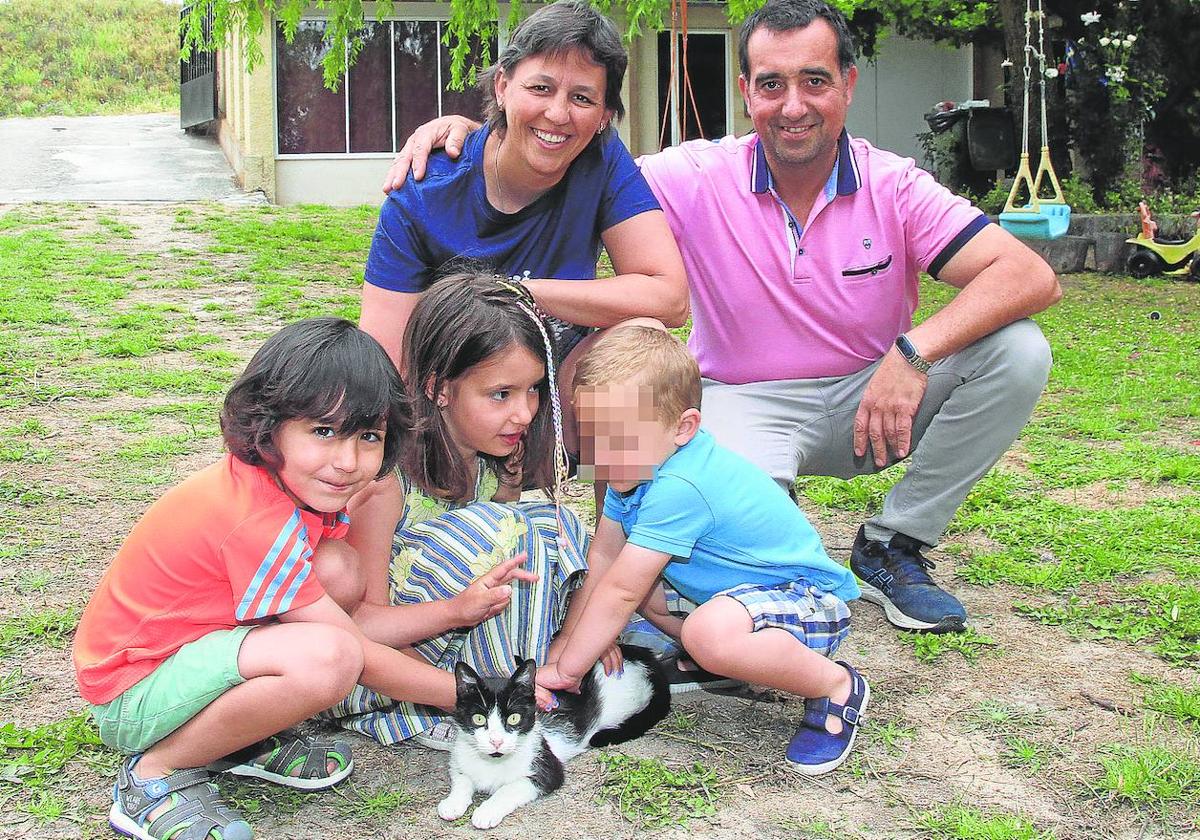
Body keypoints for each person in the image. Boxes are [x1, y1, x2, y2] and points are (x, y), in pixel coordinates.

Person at [383, 0, 1063, 636]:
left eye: (814, 81)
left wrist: (914, 353)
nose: (793, 105)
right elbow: (555, 139)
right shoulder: (694, 175)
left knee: (1018, 351)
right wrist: (473, 133)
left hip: (875, 395)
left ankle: (894, 545)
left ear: (848, 85)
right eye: (772, 84)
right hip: (744, 409)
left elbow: (1028, 275)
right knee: (674, 430)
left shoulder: (895, 185)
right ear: (745, 92)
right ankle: (629, 575)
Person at [73, 318, 463, 840]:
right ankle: (153, 778)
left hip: (189, 655)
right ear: (267, 424)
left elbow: (345, 603)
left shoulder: (282, 489)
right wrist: (462, 694)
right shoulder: (257, 518)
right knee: (330, 659)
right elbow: (352, 651)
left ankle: (241, 738)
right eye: (323, 432)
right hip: (133, 694)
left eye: (368, 436)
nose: (347, 462)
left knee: (337, 570)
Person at [360, 0, 687, 461]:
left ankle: (612, 524)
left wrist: (521, 293)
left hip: (554, 394)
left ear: (603, 117)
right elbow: (384, 358)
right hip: (451, 404)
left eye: (582, 98)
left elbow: (668, 298)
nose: (558, 114)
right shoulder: (423, 191)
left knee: (640, 345)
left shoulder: (600, 160)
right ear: (502, 86)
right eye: (540, 87)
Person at [536, 325, 867, 775]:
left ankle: (835, 685)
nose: (602, 453)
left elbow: (619, 592)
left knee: (698, 629)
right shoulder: (631, 468)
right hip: (736, 599)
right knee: (645, 593)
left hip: (806, 601)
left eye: (619, 437)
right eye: (590, 434)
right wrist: (567, 648)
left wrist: (567, 672)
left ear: (683, 428)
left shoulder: (680, 485)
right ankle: (728, 663)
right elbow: (604, 563)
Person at [333, 272, 597, 749]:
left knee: (552, 523)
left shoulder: (495, 464)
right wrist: (454, 616)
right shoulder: (388, 482)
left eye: (534, 390)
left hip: (459, 661)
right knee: (500, 528)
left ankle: (519, 691)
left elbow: (522, 581)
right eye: (501, 394)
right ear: (439, 388)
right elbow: (361, 622)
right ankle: (474, 707)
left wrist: (586, 631)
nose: (524, 413)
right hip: (386, 673)